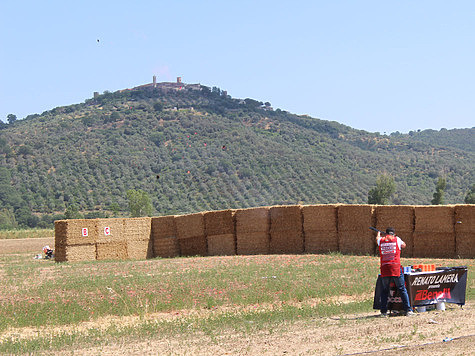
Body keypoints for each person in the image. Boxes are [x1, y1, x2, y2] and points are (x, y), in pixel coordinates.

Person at [376, 227, 414, 317]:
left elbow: (377, 239)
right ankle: (408, 310)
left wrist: (378, 234)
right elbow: (404, 245)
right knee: (402, 288)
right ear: (394, 234)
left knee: (385, 291)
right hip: (395, 268)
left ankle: (383, 312)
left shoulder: (381, 240)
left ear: (386, 234)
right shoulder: (397, 239)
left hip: (385, 268)